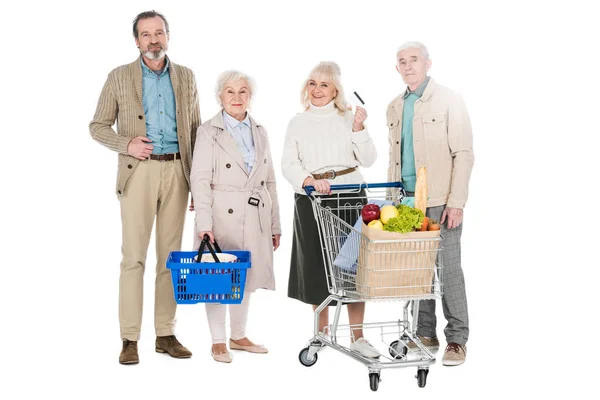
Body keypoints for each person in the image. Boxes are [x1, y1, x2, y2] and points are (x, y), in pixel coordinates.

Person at [89, 10, 200, 365]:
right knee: (133, 258)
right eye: (146, 35)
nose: (154, 40)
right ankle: (129, 339)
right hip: (139, 172)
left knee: (171, 258)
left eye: (159, 33)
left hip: (178, 173)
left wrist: (198, 183)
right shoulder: (120, 77)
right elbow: (98, 126)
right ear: (136, 41)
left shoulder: (185, 76)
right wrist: (127, 145)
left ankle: (165, 334)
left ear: (168, 36)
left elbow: (195, 131)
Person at [282, 61, 380, 358]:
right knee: (317, 266)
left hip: (350, 196)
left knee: (352, 267)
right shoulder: (297, 122)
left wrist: (359, 128)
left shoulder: (348, 117)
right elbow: (289, 163)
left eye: (324, 84)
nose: (317, 90)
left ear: (335, 89)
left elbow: (369, 159)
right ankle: (321, 333)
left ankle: (358, 337)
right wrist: (309, 180)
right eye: (312, 83)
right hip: (312, 199)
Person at [387, 41, 474, 366]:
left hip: (440, 201)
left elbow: (463, 153)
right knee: (417, 272)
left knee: (448, 269)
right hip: (407, 203)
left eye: (414, 60)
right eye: (402, 61)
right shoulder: (395, 106)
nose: (408, 66)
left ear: (427, 63)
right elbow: (397, 157)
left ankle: (457, 340)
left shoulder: (449, 100)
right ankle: (424, 333)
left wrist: (456, 201)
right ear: (397, 68)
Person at [191, 70, 282, 363]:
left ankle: (238, 335)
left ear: (250, 97)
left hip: (255, 211)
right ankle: (218, 341)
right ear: (220, 96)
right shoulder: (208, 131)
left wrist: (274, 224)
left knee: (245, 275)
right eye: (230, 91)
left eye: (243, 91)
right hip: (220, 212)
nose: (236, 97)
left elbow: (270, 181)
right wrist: (204, 224)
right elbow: (200, 180)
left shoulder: (261, 130)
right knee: (216, 277)